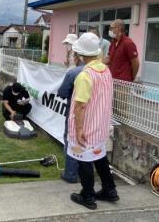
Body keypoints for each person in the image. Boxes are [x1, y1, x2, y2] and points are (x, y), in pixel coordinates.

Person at [67, 33, 118, 210]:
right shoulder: (106, 70)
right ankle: (110, 190)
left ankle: (87, 195)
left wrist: (79, 129)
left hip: (86, 126)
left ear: (81, 54)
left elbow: (80, 106)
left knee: (84, 160)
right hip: (101, 125)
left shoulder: (85, 75)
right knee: (100, 156)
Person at [57, 52, 85, 184]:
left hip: (75, 111)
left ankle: (71, 174)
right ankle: (84, 174)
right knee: (88, 142)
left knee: (71, 139)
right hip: (94, 115)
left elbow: (62, 92)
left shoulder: (74, 73)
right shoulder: (102, 71)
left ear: (78, 57)